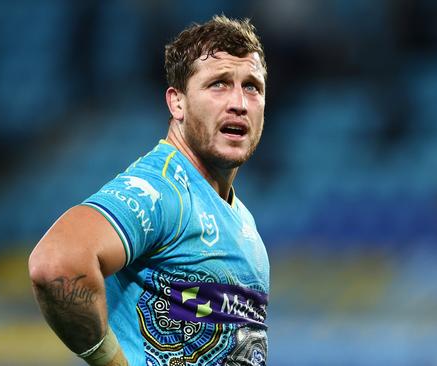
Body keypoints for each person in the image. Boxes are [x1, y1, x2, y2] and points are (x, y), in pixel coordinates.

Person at [29, 15, 270, 366]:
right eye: (218, 84)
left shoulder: (239, 217)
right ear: (177, 103)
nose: (239, 102)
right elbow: (55, 263)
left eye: (252, 86)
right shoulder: (161, 189)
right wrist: (108, 360)